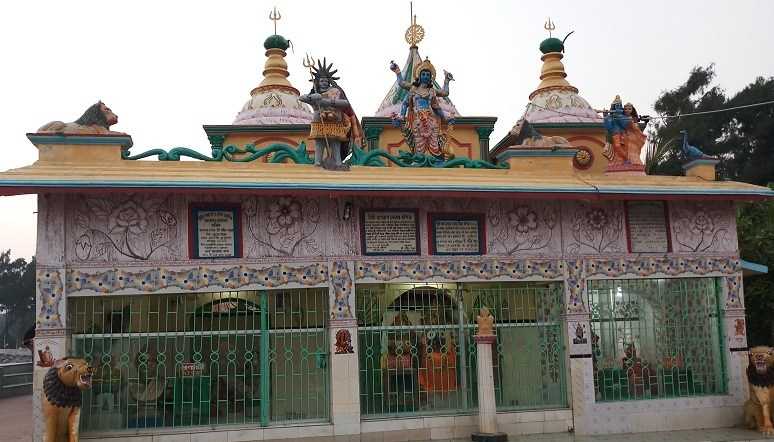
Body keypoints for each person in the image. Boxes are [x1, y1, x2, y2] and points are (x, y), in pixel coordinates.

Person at [300, 58, 363, 170]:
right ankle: (318, 163)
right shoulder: (315, 93)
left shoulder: (335, 91)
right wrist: (312, 97)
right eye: (321, 81)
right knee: (319, 142)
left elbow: (345, 103)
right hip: (319, 122)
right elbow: (301, 98)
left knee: (335, 143)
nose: (324, 83)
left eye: (325, 81)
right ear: (317, 82)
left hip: (335, 121)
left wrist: (327, 101)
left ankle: (338, 162)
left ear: (329, 81)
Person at [389, 57, 455, 160]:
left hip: (431, 121)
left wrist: (447, 80)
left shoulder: (432, 91)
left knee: (434, 145)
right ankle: (419, 159)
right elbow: (404, 96)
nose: (425, 76)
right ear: (419, 76)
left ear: (431, 77)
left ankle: (438, 160)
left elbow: (442, 98)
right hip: (418, 120)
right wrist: (397, 71)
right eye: (423, 74)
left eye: (428, 75)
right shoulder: (413, 89)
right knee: (419, 145)